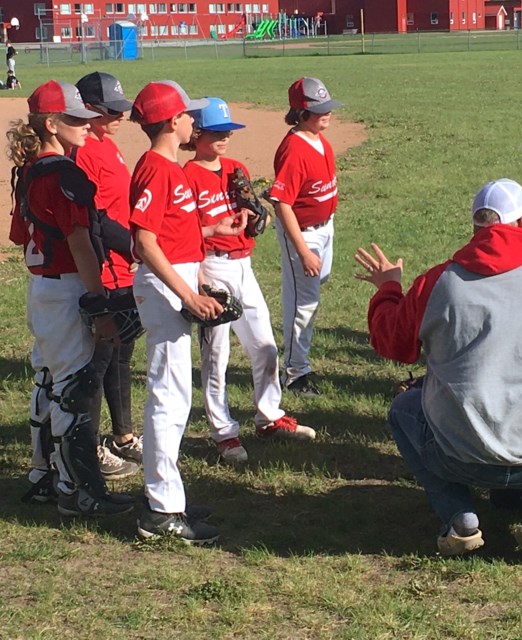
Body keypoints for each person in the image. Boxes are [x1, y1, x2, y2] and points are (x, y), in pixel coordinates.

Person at [355, 179, 522, 563]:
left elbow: (391, 342)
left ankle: (459, 517)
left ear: (477, 228)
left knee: (404, 408)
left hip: (459, 454)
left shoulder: (437, 281)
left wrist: (389, 288)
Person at [7, 80, 135, 517]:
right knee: (73, 391)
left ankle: (43, 475)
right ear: (51, 124)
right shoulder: (64, 173)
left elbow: (18, 236)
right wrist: (99, 304)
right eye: (76, 119)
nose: (86, 124)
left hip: (43, 287)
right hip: (66, 287)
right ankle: (78, 490)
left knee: (48, 380)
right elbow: (80, 243)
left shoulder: (29, 169)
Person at [129, 81, 244, 544]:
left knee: (176, 395)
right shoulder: (155, 169)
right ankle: (161, 510)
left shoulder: (168, 166)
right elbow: (145, 242)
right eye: (186, 115)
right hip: (162, 287)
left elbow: (172, 231)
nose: (194, 122)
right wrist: (187, 294)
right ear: (171, 122)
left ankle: (168, 494)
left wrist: (214, 227)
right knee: (169, 395)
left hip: (176, 277)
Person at [181, 97, 316, 466]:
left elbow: (260, 219)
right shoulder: (186, 177)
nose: (224, 137)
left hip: (244, 265)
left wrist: (259, 218)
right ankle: (223, 433)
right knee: (217, 355)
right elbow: (182, 231)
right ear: (196, 135)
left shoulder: (235, 169)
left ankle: (268, 416)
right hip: (211, 266)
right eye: (215, 132)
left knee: (266, 347)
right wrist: (198, 276)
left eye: (227, 131)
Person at [72, 71, 141, 480]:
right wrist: (126, 249)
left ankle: (123, 435)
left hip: (124, 266)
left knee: (122, 356)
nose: (119, 116)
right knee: (98, 362)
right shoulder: (84, 154)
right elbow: (93, 220)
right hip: (105, 268)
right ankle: (92, 446)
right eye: (109, 110)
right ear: (88, 111)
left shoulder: (107, 145)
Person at [269, 77, 342, 398]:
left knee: (313, 293)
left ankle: (298, 361)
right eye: (318, 110)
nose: (326, 114)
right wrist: (302, 250)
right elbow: (281, 202)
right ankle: (296, 372)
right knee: (303, 304)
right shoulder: (294, 149)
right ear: (300, 113)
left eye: (327, 107)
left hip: (324, 227)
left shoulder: (317, 138)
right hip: (304, 233)